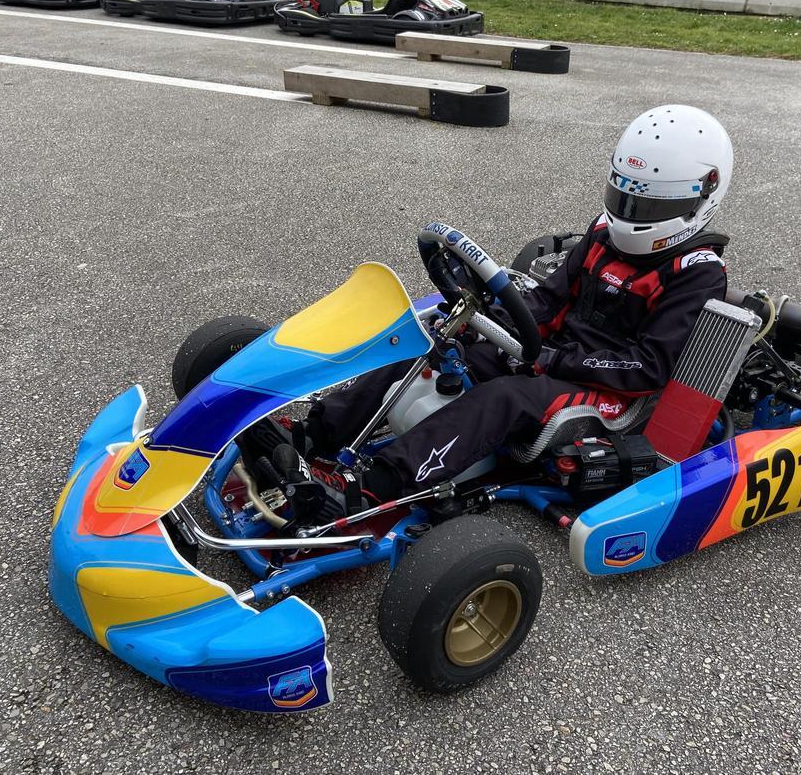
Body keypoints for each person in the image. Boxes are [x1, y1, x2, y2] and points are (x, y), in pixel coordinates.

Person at [300, 105, 734, 503]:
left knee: (505, 396)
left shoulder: (697, 272)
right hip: (552, 360)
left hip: (614, 394)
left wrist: (553, 359)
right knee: (429, 345)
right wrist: (491, 324)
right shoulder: (603, 233)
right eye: (626, 199)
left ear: (702, 196)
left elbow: (647, 367)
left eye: (649, 205)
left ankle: (377, 484)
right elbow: (548, 302)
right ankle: (312, 434)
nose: (630, 214)